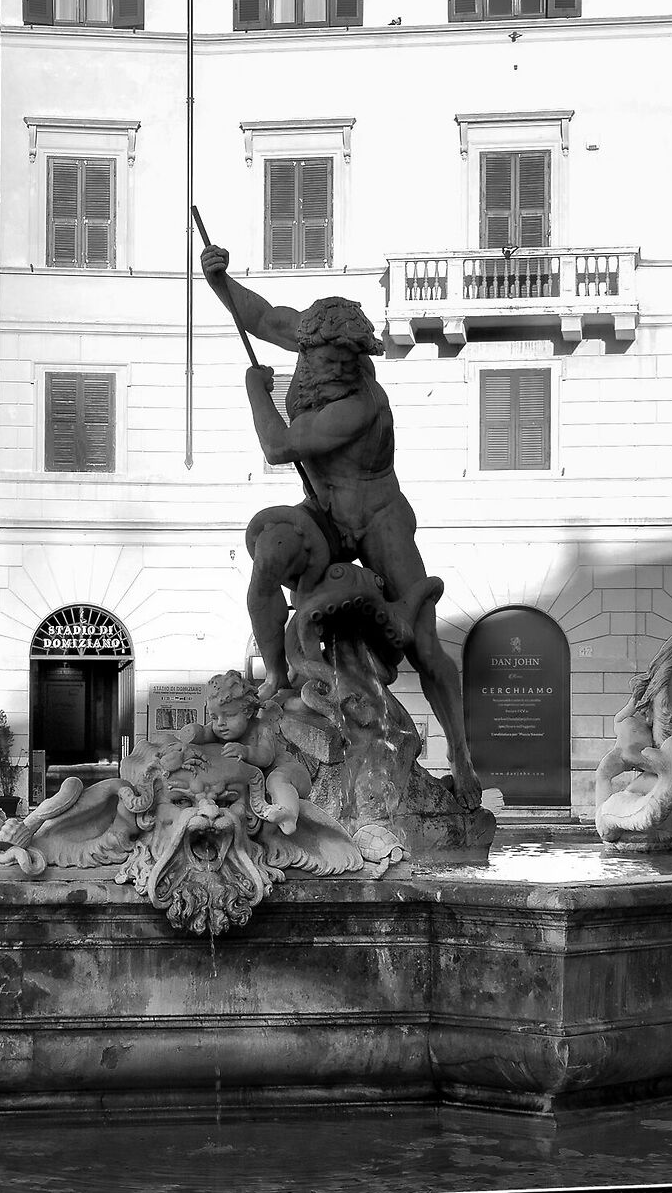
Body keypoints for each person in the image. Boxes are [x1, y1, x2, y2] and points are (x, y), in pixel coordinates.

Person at [199, 241, 480, 799]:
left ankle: (465, 762)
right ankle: (277, 678)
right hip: (323, 515)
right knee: (269, 553)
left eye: (345, 363)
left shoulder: (359, 404)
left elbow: (278, 446)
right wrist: (220, 281)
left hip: (377, 517)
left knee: (425, 644)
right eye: (327, 361)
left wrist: (257, 393)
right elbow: (257, 317)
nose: (334, 370)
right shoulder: (307, 338)